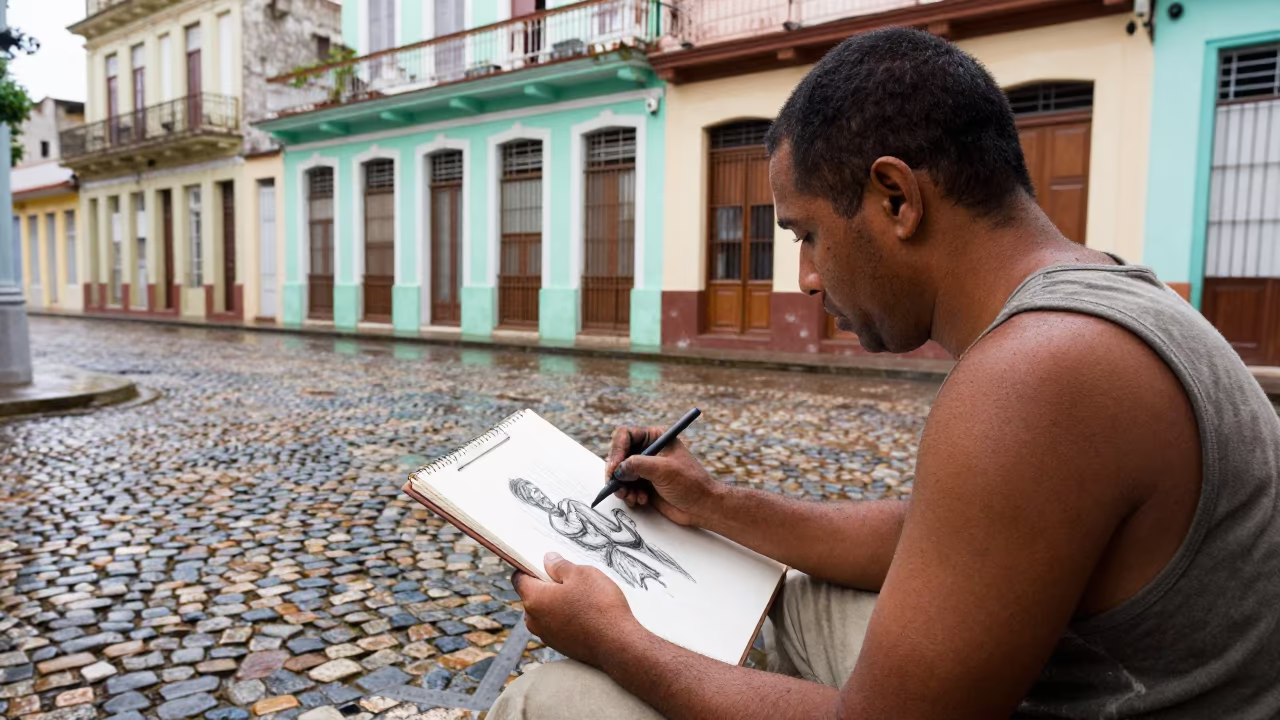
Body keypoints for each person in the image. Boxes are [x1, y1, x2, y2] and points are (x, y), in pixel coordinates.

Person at [489, 27, 1280, 720]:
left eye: (806, 235)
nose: (803, 279)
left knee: (546, 701)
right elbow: (930, 535)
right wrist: (715, 504)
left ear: (896, 197)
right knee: (790, 604)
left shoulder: (1041, 375)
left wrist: (616, 640)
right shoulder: (1096, 296)